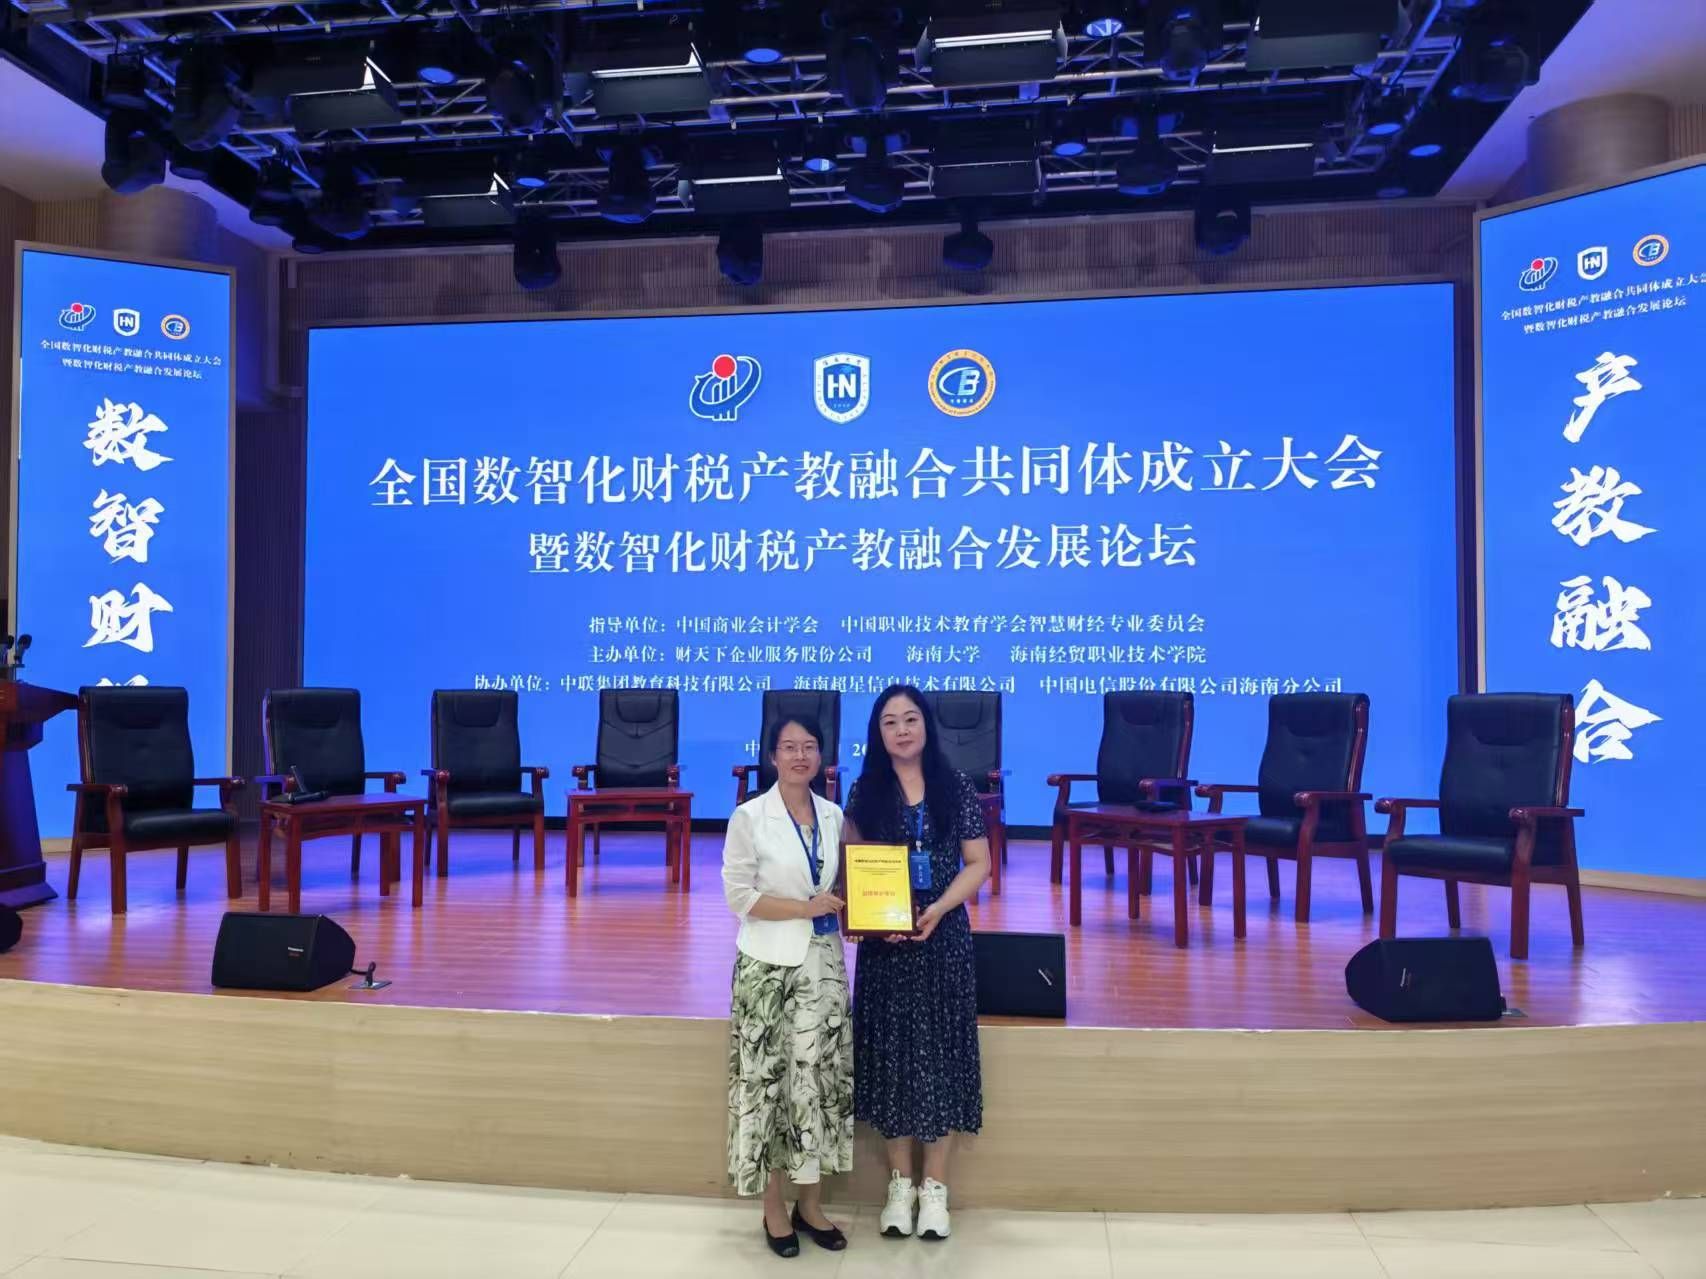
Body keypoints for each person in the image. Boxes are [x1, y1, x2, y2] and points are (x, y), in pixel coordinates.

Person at [844, 684, 992, 1242]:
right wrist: (871, 917)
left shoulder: (956, 786)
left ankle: (935, 1189)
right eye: (890, 722)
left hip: (942, 939)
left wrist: (939, 908)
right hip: (886, 947)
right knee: (891, 1059)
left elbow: (978, 863)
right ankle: (899, 1185)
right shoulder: (866, 790)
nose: (901, 730)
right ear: (877, 733)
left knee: (941, 1057)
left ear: (926, 725)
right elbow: (854, 864)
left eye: (910, 719)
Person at [721, 715, 853, 1259]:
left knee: (818, 1084)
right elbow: (740, 897)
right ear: (772, 756)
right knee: (769, 1088)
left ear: (821, 756)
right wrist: (805, 908)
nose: (800, 756)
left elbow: (846, 886)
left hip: (824, 966)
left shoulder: (835, 815)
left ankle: (811, 1205)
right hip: (767, 968)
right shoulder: (749, 816)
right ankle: (773, 1208)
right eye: (789, 747)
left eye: (810, 746)